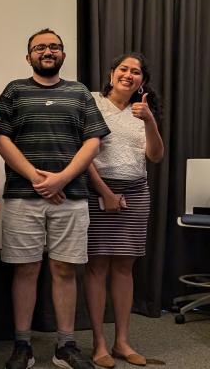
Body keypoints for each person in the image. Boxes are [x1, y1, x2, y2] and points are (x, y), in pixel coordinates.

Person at [0, 28, 110, 369]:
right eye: (40, 47)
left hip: (71, 197)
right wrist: (36, 178)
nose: (48, 51)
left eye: (54, 47)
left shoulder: (79, 93)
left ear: (62, 54)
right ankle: (23, 346)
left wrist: (61, 178)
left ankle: (65, 346)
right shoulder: (14, 91)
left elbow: (93, 143)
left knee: (64, 270)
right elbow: (0, 139)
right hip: (21, 196)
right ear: (27, 55)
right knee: (26, 271)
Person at [83, 53, 163, 368]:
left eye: (136, 72)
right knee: (97, 267)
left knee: (124, 269)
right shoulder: (92, 102)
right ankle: (99, 344)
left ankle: (122, 342)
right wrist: (105, 192)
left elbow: (155, 156)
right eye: (123, 69)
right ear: (112, 73)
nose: (128, 75)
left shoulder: (143, 111)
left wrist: (150, 121)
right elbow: (83, 153)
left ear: (143, 80)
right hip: (98, 191)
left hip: (136, 192)